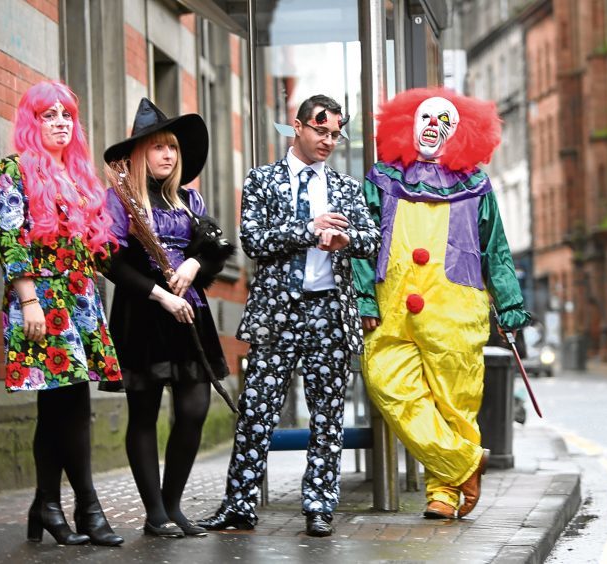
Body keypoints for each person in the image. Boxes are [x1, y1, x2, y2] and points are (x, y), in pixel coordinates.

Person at [197, 94, 379, 537]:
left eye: (336, 133)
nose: (328, 140)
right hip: (278, 311)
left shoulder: (346, 188)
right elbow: (254, 241)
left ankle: (319, 505)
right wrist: (309, 229)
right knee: (257, 410)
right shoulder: (262, 180)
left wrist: (345, 240)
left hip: (330, 311)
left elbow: (373, 240)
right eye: (320, 130)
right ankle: (239, 504)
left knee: (328, 412)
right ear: (297, 126)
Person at [354, 88, 530, 520]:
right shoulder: (382, 178)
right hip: (391, 303)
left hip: (455, 305)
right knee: (385, 382)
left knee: (455, 401)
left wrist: (508, 306)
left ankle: (444, 495)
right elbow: (361, 242)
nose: (433, 126)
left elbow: (496, 248)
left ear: (460, 134)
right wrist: (363, 296)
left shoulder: (475, 186)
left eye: (444, 121)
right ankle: (464, 462)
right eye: (426, 118)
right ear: (407, 125)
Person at [0, 80, 123, 546]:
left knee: (65, 407)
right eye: (50, 116)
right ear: (33, 122)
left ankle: (49, 504)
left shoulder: (82, 175)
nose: (61, 123)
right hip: (41, 299)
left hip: (81, 299)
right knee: (64, 403)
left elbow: (97, 248)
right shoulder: (13, 170)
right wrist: (28, 301)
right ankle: (85, 506)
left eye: (66, 115)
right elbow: (10, 239)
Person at [102, 98, 234, 538]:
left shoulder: (189, 200)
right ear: (139, 154)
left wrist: (194, 266)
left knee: (194, 408)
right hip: (143, 315)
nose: (167, 155)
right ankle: (154, 511)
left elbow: (216, 246)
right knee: (144, 414)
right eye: (158, 147)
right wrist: (161, 294)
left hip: (189, 317)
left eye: (173, 148)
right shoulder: (121, 199)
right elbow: (112, 262)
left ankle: (173, 505)